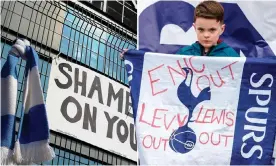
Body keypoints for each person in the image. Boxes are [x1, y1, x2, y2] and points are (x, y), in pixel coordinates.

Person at [120, 0, 240, 59]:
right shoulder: (184, 53)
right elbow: (160, 67)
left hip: (218, 107)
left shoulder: (231, 56)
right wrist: (132, 57)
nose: (206, 35)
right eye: (201, 30)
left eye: (212, 30)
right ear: (194, 28)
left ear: (222, 29)